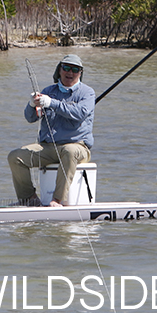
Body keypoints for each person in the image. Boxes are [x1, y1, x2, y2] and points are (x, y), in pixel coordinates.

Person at [8, 54, 94, 207]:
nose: (70, 72)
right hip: (48, 147)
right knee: (15, 157)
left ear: (80, 73)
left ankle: (57, 200)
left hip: (78, 147)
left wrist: (51, 103)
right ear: (59, 70)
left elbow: (79, 113)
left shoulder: (87, 93)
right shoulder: (48, 90)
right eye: (66, 68)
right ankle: (29, 199)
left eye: (75, 69)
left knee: (69, 151)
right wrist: (32, 104)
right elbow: (30, 118)